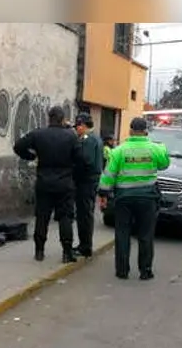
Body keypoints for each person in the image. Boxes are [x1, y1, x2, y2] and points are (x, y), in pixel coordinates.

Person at [98, 117, 170, 280]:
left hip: (124, 198)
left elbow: (108, 175)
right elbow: (164, 164)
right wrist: (162, 149)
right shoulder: (155, 149)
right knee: (146, 234)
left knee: (122, 234)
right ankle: (145, 271)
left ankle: (122, 270)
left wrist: (103, 194)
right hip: (147, 198)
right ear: (146, 131)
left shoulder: (119, 151)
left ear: (130, 131)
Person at [13, 106, 86, 263]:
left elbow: (18, 146)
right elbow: (80, 159)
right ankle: (67, 252)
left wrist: (31, 156)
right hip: (65, 183)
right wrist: (73, 172)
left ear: (49, 118)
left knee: (42, 217)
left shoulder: (38, 134)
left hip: (44, 182)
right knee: (65, 217)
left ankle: (39, 252)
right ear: (63, 119)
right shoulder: (71, 136)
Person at [72, 113, 103, 258]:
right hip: (92, 181)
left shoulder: (87, 139)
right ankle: (85, 245)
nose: (76, 130)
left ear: (83, 125)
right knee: (86, 214)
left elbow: (86, 160)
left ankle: (85, 247)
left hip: (85, 181)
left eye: (77, 126)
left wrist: (74, 170)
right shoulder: (96, 138)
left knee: (84, 215)